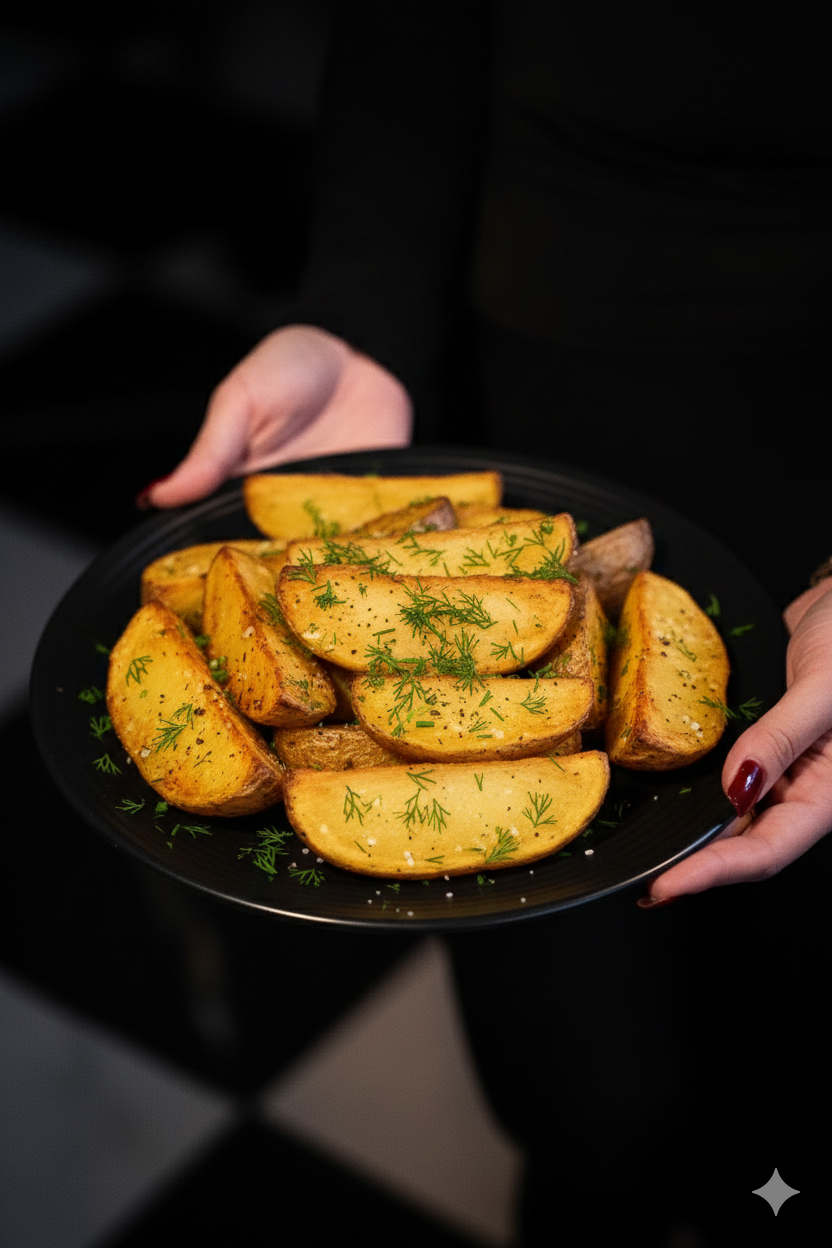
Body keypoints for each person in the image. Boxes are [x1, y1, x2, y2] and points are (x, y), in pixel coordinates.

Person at [141, 2, 829, 1240]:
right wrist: (363, 319)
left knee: (796, 1086)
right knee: (585, 1099)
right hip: (526, 410)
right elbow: (422, 24)